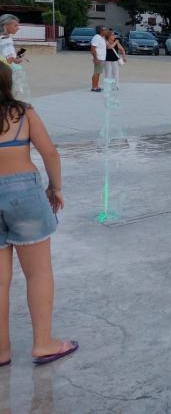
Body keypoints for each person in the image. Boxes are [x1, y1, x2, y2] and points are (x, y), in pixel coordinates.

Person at [0, 64, 77, 366]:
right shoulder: (24, 113)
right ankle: (43, 343)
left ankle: (2, 350)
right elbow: (50, 153)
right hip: (24, 195)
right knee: (39, 273)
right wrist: (55, 188)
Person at [90, 26, 107, 92]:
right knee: (96, 73)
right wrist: (95, 58)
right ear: (101, 31)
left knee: (98, 73)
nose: (106, 31)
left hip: (101, 58)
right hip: (98, 58)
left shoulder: (102, 38)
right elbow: (93, 48)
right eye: (105, 30)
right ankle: (94, 87)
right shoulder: (96, 38)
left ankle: (96, 86)